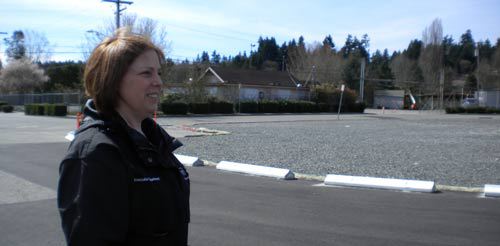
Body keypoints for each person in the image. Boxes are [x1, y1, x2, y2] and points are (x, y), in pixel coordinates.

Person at [57, 28, 190, 246]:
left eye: (159, 72)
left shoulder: (155, 142)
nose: (158, 82)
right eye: (147, 73)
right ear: (113, 79)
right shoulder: (96, 153)